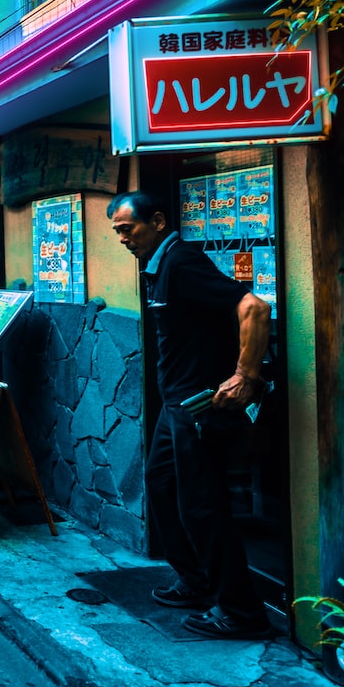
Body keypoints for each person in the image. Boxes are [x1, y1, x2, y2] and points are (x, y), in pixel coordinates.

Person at [108, 190, 272, 640]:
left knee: (202, 505)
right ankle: (197, 581)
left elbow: (255, 307)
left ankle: (240, 612)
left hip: (200, 406)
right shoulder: (159, 267)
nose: (123, 239)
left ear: (158, 221)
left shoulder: (181, 263)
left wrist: (244, 374)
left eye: (129, 228)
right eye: (118, 231)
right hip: (175, 406)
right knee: (161, 487)